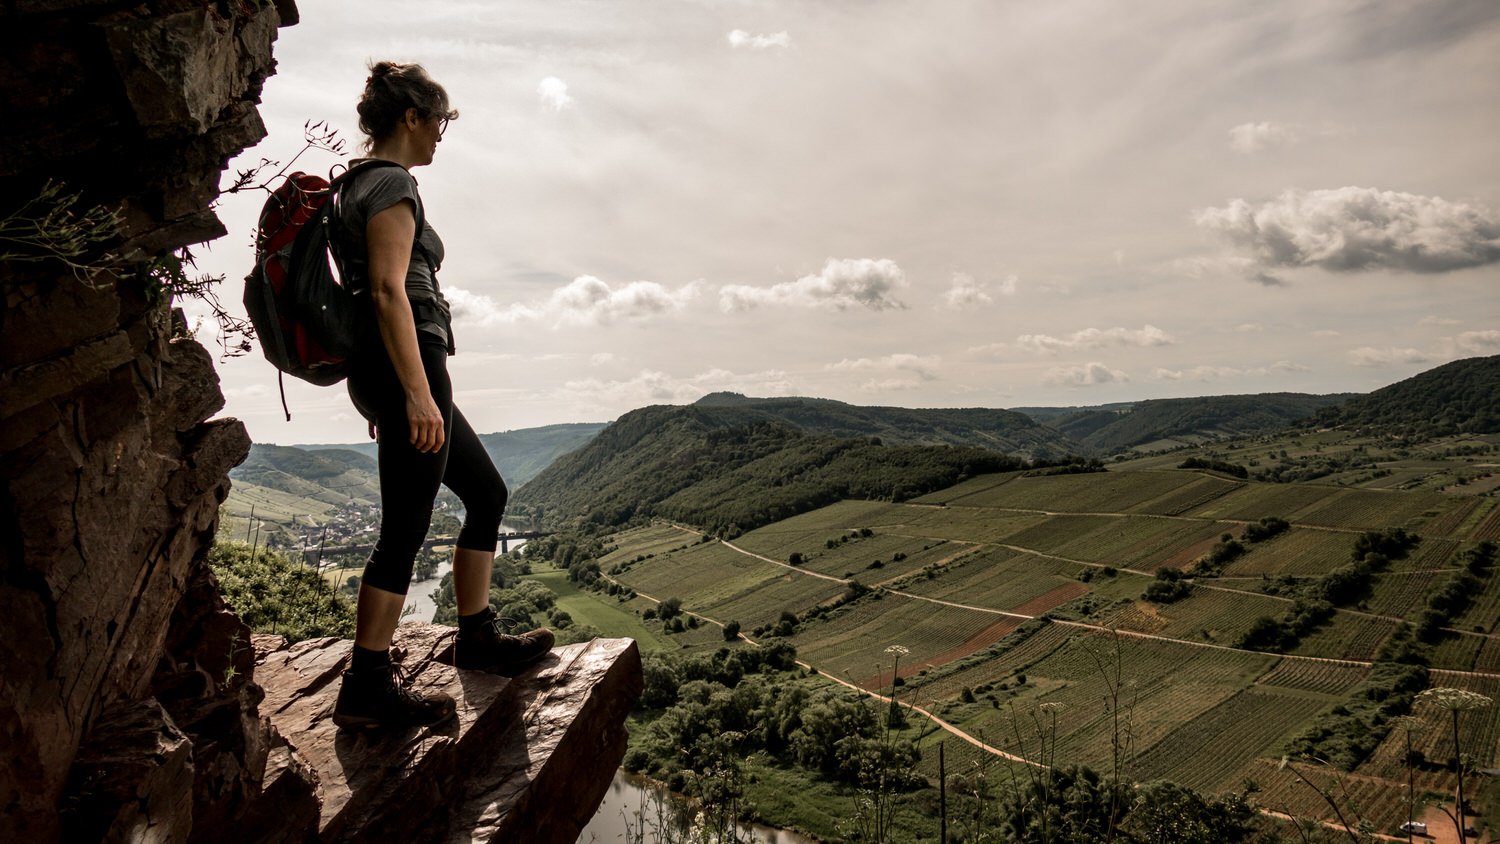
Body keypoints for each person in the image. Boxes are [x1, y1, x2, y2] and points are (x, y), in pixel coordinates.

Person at [331, 61, 554, 732]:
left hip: (394, 368)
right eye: (439, 122)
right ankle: (365, 685)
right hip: (412, 364)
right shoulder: (392, 183)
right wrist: (415, 393)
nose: (441, 136)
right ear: (411, 119)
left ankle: (477, 637)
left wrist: (393, 388)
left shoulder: (350, 186)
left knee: (486, 494)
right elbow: (388, 290)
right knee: (405, 526)